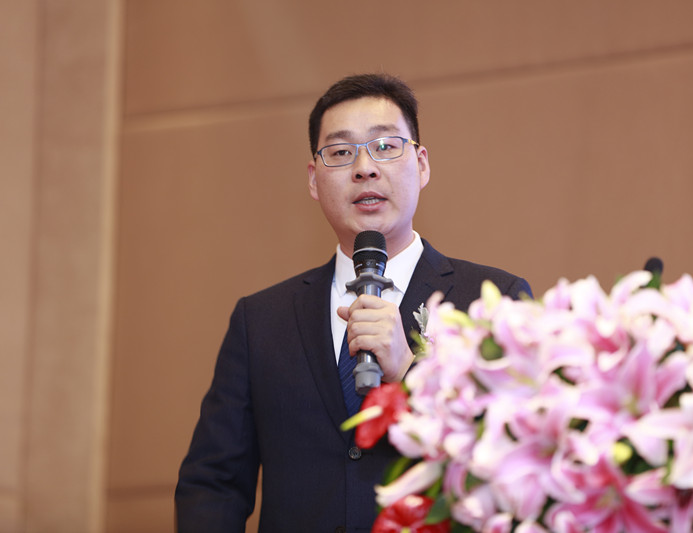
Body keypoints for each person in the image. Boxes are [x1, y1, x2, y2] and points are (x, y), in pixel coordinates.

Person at [175, 73, 532, 532]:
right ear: (313, 179)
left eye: (385, 146)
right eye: (341, 152)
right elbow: (213, 484)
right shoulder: (261, 321)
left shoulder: (493, 301)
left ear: (421, 164)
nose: (364, 168)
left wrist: (409, 372)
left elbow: (516, 461)